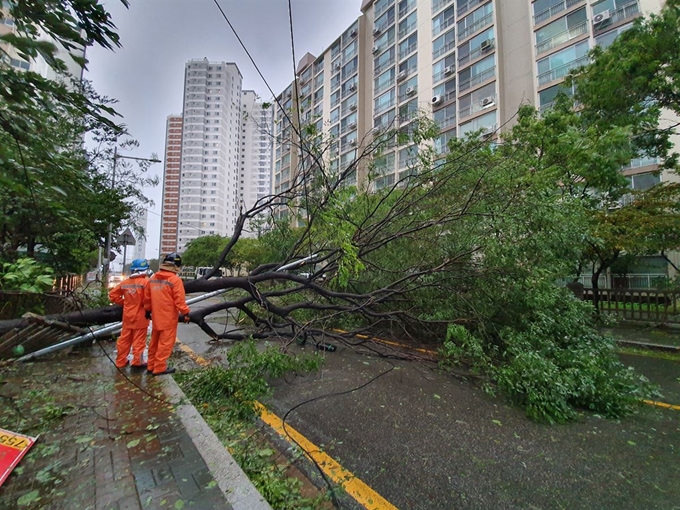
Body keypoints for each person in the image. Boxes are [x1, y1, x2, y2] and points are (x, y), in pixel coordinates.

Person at [144, 252, 191, 376]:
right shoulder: (174, 280)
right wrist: (186, 313)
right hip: (168, 317)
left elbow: (147, 298)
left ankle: (151, 365)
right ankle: (159, 367)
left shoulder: (153, 278)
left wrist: (148, 310)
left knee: (154, 342)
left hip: (156, 317)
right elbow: (179, 300)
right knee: (165, 343)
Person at [108, 259, 150, 370]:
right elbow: (148, 300)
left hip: (127, 316)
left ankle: (121, 361)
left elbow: (112, 295)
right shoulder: (146, 283)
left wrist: (125, 303)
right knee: (139, 341)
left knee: (124, 339)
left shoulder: (125, 283)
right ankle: (137, 362)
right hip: (141, 316)